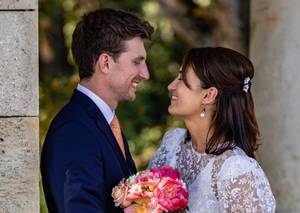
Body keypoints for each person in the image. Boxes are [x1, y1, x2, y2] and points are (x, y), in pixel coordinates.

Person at [41, 8, 154, 212]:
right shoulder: (74, 131)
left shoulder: (104, 123)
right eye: (137, 62)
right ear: (106, 63)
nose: (145, 74)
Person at [149, 47, 276, 212]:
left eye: (181, 78)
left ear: (208, 95)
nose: (171, 86)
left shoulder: (236, 170)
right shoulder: (172, 144)